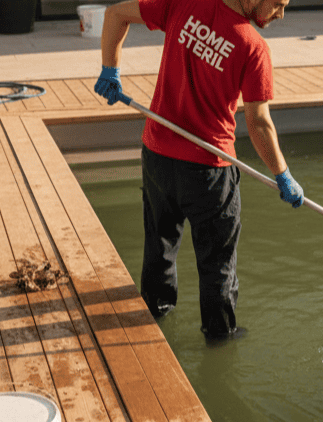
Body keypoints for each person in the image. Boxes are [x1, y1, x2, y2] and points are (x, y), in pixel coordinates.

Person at [94, 0, 303, 343]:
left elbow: (114, 14)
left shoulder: (184, 3)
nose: (281, 14)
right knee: (217, 265)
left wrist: (110, 69)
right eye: (278, 4)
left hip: (158, 156)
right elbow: (259, 122)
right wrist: (283, 174)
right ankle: (220, 339)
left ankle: (155, 317)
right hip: (209, 172)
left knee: (159, 247)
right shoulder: (253, 47)